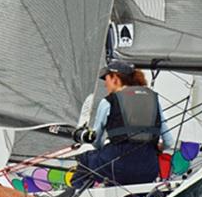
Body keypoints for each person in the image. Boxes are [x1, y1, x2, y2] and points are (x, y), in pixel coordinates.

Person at [72, 59, 174, 188]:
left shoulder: (108, 102)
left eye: (107, 79)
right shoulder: (154, 98)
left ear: (115, 78)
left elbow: (97, 142)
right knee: (119, 165)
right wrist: (158, 148)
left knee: (85, 159)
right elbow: (169, 141)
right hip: (148, 168)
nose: (105, 85)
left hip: (117, 167)